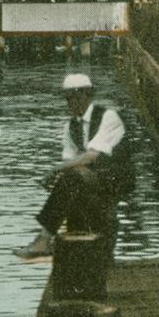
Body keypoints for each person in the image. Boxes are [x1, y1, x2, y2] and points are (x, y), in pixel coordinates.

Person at [13, 74, 129, 260]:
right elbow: (70, 162)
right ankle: (51, 240)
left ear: (87, 95)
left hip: (114, 180)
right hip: (89, 181)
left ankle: (44, 239)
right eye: (67, 97)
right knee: (70, 179)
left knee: (72, 175)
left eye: (74, 96)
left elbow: (92, 156)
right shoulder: (70, 127)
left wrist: (55, 170)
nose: (70, 102)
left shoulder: (108, 116)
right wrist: (58, 176)